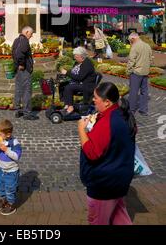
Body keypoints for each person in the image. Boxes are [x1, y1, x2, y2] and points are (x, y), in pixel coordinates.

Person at [78, 82, 136, 225]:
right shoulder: (121, 114)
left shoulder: (108, 122)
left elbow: (92, 153)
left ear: (107, 102)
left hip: (104, 185)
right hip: (119, 179)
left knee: (98, 221)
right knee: (120, 218)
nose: (93, 99)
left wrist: (81, 129)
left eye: (96, 97)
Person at [0, 119, 22, 216]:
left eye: (0, 134)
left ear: (8, 134)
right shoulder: (1, 140)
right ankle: (3, 199)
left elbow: (17, 156)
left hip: (11, 171)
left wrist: (6, 149)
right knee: (0, 186)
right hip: (1, 169)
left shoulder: (14, 143)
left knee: (10, 188)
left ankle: (11, 204)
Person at [60, 47, 97, 116]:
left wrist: (67, 73)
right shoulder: (79, 63)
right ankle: (67, 104)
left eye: (76, 56)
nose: (75, 58)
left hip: (87, 85)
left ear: (81, 57)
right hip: (80, 82)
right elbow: (74, 72)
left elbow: (79, 77)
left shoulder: (87, 64)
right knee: (63, 85)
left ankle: (70, 107)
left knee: (69, 87)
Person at [12, 26, 37, 120]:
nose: (32, 35)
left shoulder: (16, 40)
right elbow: (19, 54)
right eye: (31, 33)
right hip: (24, 69)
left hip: (18, 70)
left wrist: (17, 64)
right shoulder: (24, 41)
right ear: (26, 32)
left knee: (18, 89)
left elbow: (14, 53)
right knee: (27, 91)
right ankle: (27, 113)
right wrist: (21, 64)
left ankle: (17, 110)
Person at [127, 32, 153, 116]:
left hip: (136, 72)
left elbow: (131, 61)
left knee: (133, 92)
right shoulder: (147, 45)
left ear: (133, 39)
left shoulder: (135, 46)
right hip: (145, 72)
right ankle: (143, 110)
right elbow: (151, 59)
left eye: (130, 41)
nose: (130, 43)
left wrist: (128, 71)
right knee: (144, 92)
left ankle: (131, 110)